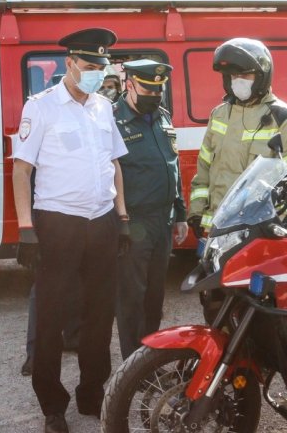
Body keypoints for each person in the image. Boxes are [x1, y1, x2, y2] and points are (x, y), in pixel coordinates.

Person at [12, 27, 128, 433]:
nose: (97, 72)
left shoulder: (103, 107)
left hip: (101, 222)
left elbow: (114, 163)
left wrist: (123, 217)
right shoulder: (40, 107)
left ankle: (92, 393)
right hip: (58, 222)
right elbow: (22, 169)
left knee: (99, 315)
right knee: (52, 317)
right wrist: (26, 228)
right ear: (70, 64)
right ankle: (52, 405)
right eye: (90, 65)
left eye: (102, 66)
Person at [187, 38, 287, 236]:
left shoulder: (286, 119)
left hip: (258, 230)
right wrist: (196, 212)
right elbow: (204, 169)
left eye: (245, 74)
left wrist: (279, 226)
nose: (238, 80)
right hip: (216, 229)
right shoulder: (219, 114)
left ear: (262, 75)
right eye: (233, 75)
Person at [114, 59, 188, 359]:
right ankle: (133, 363)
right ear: (128, 84)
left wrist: (180, 213)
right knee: (132, 297)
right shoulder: (112, 121)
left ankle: (150, 355)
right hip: (134, 221)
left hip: (162, 220)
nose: (154, 96)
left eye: (159, 90)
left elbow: (174, 166)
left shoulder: (163, 116)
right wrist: (120, 219)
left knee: (155, 296)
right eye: (148, 89)